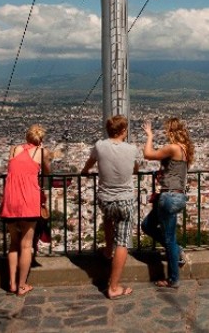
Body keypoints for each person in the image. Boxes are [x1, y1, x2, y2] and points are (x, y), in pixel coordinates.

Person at [81, 115, 139, 299]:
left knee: (108, 218)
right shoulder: (132, 149)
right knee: (122, 241)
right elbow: (135, 169)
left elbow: (89, 164)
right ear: (123, 131)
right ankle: (113, 287)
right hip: (125, 199)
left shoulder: (99, 146)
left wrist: (84, 172)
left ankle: (107, 250)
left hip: (105, 199)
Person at [0, 124, 53, 296]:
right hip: (29, 200)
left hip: (10, 200)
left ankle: (12, 283)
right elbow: (47, 172)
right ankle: (22, 285)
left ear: (26, 137)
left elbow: (13, 168)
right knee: (26, 245)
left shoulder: (14, 149)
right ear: (41, 140)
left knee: (14, 243)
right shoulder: (41, 152)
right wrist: (44, 154)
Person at [141, 117, 194, 289]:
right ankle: (176, 250)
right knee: (147, 225)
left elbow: (148, 154)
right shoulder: (186, 149)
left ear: (171, 131)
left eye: (166, 131)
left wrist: (149, 136)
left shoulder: (173, 147)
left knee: (169, 239)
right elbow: (174, 170)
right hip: (178, 196)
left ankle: (173, 278)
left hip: (169, 197)